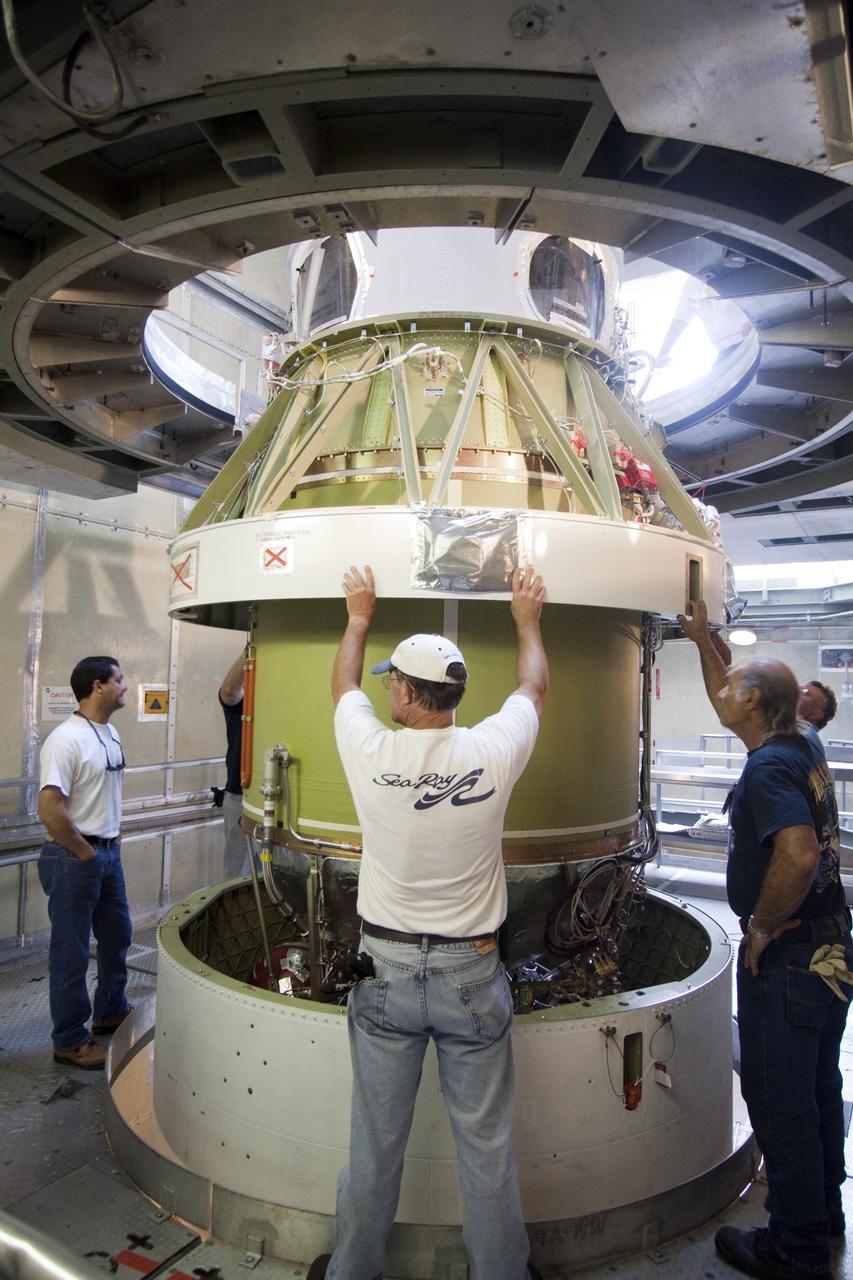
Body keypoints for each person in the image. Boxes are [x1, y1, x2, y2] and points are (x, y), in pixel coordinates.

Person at [309, 565, 548, 1280]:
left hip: (381, 973)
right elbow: (532, 688)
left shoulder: (370, 749)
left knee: (375, 1142)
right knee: (485, 1144)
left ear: (408, 694)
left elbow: (342, 687)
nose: (385, 689)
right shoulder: (490, 751)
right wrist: (526, 619)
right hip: (471, 974)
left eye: (394, 682)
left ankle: (353, 1271)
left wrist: (357, 618)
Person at [679, 601, 848, 1280]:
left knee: (779, 1105)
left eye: (732, 685)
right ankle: (824, 1218)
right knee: (813, 1090)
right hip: (833, 953)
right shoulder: (798, 735)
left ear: (753, 701)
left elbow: (799, 855)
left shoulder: (767, 769)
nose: (722, 693)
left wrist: (760, 927)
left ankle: (796, 1249)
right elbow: (732, 687)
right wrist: (703, 638)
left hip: (789, 958)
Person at [37, 656, 132, 1070]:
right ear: (97, 686)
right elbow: (50, 808)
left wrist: (108, 842)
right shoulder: (66, 739)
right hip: (74, 857)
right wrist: (84, 850)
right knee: (70, 951)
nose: (125, 686)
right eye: (119, 680)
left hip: (106, 853)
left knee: (117, 936)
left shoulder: (109, 733)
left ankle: (109, 1010)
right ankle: (70, 1040)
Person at [709, 631, 837, 736]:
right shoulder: (802, 739)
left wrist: (703, 641)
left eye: (805, 693)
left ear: (816, 714)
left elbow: (733, 708)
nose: (796, 691)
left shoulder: (795, 740)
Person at [219, 649, 249, 878]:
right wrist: (251, 648)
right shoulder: (242, 702)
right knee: (237, 874)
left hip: (281, 805)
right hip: (240, 797)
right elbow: (229, 690)